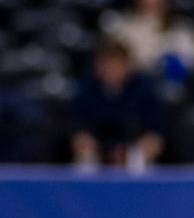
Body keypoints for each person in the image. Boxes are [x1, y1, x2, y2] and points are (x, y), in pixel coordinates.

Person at [67, 36, 166, 168]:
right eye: (107, 65)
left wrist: (137, 153)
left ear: (128, 65)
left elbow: (156, 132)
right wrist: (87, 145)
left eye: (117, 65)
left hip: (135, 152)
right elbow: (77, 127)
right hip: (96, 153)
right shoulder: (86, 89)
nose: (112, 70)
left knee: (150, 147)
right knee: (83, 152)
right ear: (98, 66)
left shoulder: (145, 89)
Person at [101, 0, 194, 83]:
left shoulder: (182, 28)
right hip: (134, 86)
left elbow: (192, 62)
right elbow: (115, 63)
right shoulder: (123, 27)